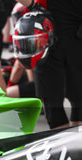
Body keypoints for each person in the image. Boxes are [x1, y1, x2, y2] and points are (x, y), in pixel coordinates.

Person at [15, 0, 82, 129]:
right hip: (46, 31)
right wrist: (33, 5)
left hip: (62, 31)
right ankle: (67, 145)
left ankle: (69, 146)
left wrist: (33, 5)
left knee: (71, 103)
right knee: (56, 104)